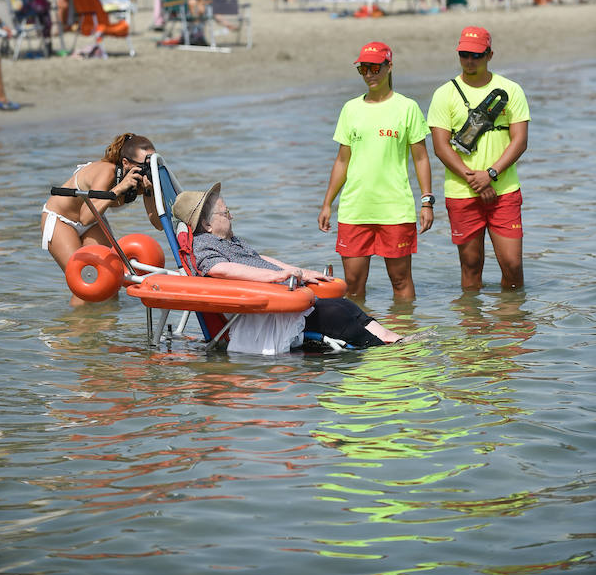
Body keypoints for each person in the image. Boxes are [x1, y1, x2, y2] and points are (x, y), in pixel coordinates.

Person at [172, 184, 403, 355]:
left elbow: (258, 258)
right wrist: (274, 277)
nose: (231, 216)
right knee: (335, 314)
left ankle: (393, 340)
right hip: (260, 318)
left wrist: (300, 272)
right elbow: (219, 269)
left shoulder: (231, 241)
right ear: (207, 224)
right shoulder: (204, 245)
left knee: (344, 305)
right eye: (225, 213)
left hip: (277, 306)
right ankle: (382, 353)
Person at [317, 42, 434, 302]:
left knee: (401, 282)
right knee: (354, 287)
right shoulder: (350, 109)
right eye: (363, 69)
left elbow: (421, 157)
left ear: (389, 67)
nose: (369, 74)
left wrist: (427, 201)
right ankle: (361, 341)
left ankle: (404, 339)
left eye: (375, 68)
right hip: (355, 210)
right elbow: (342, 161)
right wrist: (327, 204)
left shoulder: (408, 108)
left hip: (395, 209)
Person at [427, 26, 530, 292]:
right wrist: (475, 180)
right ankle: (474, 330)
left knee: (512, 265)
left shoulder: (511, 89)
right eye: (464, 54)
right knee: (471, 265)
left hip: (504, 189)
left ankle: (510, 323)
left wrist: (491, 175)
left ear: (490, 54)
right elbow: (440, 146)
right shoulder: (444, 94)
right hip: (462, 192)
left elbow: (520, 140)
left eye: (477, 55)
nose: (470, 61)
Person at [42, 133, 161, 305]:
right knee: (86, 285)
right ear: (126, 163)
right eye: (143, 166)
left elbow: (157, 224)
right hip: (62, 219)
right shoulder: (107, 172)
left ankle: (106, 329)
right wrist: (119, 188)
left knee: (110, 284)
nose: (147, 170)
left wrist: (150, 191)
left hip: (93, 219)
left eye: (152, 164)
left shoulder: (144, 179)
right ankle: (76, 329)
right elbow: (85, 216)